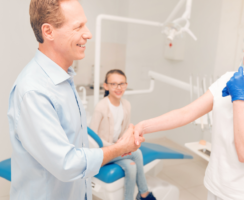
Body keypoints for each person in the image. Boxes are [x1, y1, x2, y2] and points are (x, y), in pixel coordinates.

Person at [133, 14, 244, 200]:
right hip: (215, 183)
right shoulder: (230, 78)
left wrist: (239, 99)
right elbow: (186, 113)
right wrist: (142, 126)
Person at [7, 1, 143, 200]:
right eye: (78, 26)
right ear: (48, 31)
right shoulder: (34, 91)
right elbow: (67, 164)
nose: (88, 34)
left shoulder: (64, 80)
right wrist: (120, 148)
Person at [89, 69, 156, 200]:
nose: (118, 87)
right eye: (113, 84)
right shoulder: (101, 107)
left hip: (118, 149)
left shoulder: (126, 105)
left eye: (121, 84)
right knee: (137, 153)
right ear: (106, 86)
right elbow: (93, 138)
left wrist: (125, 143)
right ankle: (144, 194)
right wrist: (118, 147)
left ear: (126, 85)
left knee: (131, 167)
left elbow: (126, 130)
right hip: (102, 152)